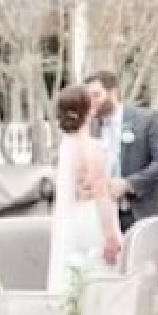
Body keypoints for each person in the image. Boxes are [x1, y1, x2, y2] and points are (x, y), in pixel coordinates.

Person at [46, 84, 124, 294]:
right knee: (100, 277)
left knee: (77, 278)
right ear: (87, 109)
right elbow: (100, 194)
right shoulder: (92, 147)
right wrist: (110, 235)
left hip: (73, 218)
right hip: (92, 218)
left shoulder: (66, 146)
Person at [83, 69, 158, 234]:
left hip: (141, 214)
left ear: (113, 93)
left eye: (96, 95)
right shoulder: (89, 129)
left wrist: (128, 184)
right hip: (102, 218)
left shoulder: (146, 120)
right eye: (87, 98)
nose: (91, 102)